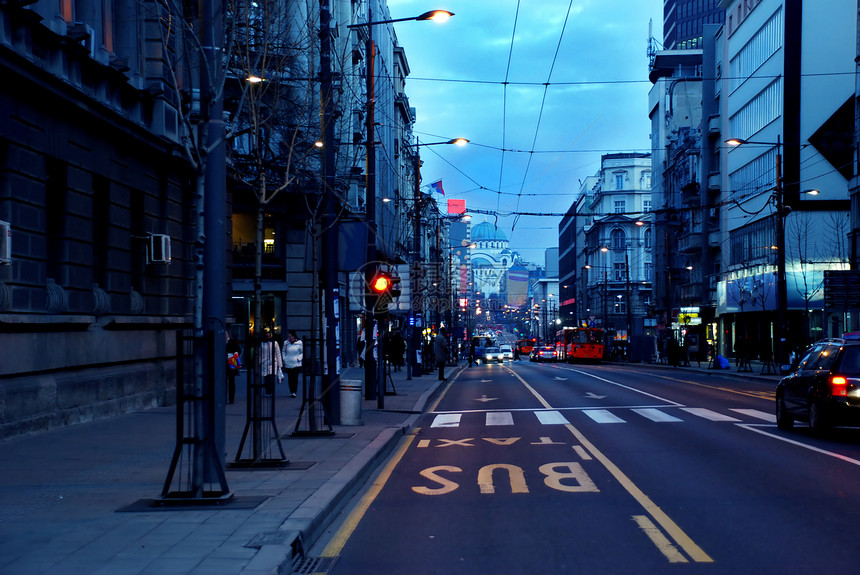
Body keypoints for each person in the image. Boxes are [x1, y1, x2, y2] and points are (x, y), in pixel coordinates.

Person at [259, 328, 282, 396]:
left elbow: (278, 353)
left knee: (271, 377)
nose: (268, 336)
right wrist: (259, 362)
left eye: (269, 335)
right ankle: (267, 391)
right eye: (267, 335)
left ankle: (271, 391)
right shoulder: (262, 343)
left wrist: (280, 364)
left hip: (273, 363)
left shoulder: (275, 343)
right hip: (264, 362)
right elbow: (260, 353)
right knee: (266, 378)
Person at [282, 330, 303, 398]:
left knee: (295, 377)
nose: (289, 338)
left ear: (294, 336)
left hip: (296, 363)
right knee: (290, 378)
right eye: (288, 336)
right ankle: (291, 391)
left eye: (290, 336)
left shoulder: (299, 343)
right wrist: (284, 358)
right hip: (288, 362)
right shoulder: (286, 343)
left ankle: (294, 391)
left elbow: (302, 352)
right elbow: (283, 351)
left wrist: (299, 358)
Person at [226, 332, 242, 404]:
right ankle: (224, 397)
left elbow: (239, 351)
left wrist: (233, 356)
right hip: (222, 364)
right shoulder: (219, 341)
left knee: (231, 381)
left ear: (228, 335)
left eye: (226, 334)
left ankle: (231, 398)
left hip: (231, 362)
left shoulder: (232, 342)